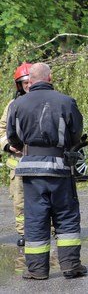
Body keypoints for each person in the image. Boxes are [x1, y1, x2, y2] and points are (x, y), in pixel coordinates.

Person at [6, 63, 86, 280]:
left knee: (35, 218)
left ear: (30, 82)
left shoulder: (17, 104)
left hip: (30, 168)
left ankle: (37, 270)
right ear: (50, 78)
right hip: (60, 167)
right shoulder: (66, 101)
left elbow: (12, 136)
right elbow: (76, 133)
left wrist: (24, 147)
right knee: (66, 216)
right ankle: (70, 266)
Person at [0, 62, 31, 247]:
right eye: (24, 82)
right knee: (20, 201)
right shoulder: (12, 105)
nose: (28, 85)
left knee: (45, 199)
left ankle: (47, 229)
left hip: (40, 159)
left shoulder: (46, 100)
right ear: (18, 85)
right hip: (18, 163)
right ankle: (24, 232)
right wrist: (7, 146)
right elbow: (1, 130)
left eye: (30, 81)